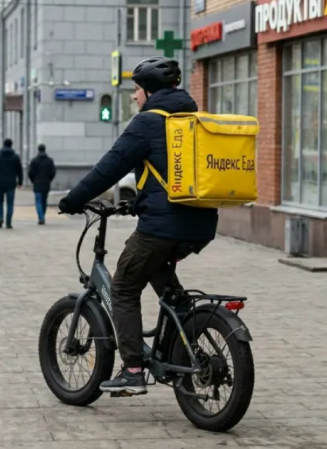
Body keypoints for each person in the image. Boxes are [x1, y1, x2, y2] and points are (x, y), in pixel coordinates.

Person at [58, 57, 218, 395]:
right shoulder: (192, 120)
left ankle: (132, 370)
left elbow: (109, 167)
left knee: (124, 287)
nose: (134, 96)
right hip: (202, 222)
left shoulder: (147, 122)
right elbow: (171, 172)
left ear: (149, 91)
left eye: (136, 89)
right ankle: (187, 340)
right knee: (160, 276)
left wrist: (73, 199)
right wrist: (139, 202)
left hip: (163, 226)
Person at [0, 138, 23, 229]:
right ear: (11, 145)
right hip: (11, 183)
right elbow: (19, 170)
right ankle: (8, 222)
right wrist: (20, 182)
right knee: (10, 203)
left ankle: (0, 217)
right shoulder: (15, 156)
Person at [28, 143, 56, 225]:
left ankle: (41, 217)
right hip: (46, 183)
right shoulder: (49, 161)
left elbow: (30, 173)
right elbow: (53, 172)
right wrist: (49, 179)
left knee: (38, 201)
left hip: (37, 183)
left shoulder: (34, 161)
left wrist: (33, 180)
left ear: (38, 150)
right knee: (44, 201)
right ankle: (42, 215)